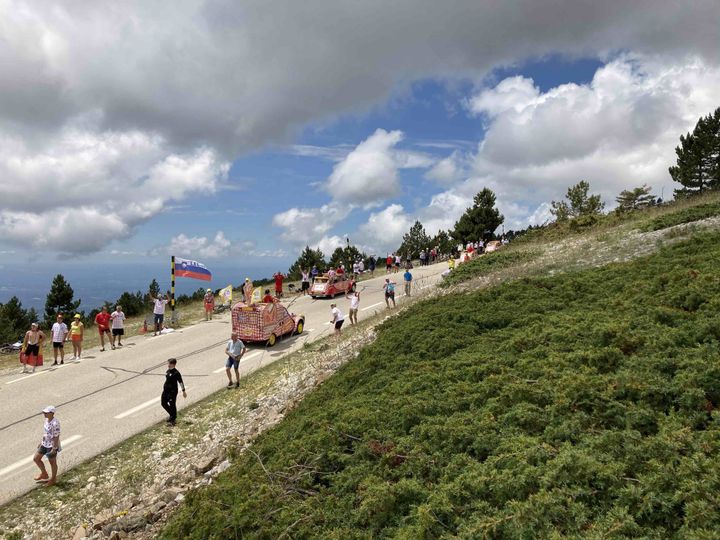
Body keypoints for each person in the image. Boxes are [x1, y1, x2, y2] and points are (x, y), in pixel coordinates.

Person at [33, 405, 61, 487]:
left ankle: (53, 479)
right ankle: (44, 474)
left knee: (52, 463)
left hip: (51, 445)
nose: (44, 413)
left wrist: (54, 448)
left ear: (52, 413)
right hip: (44, 443)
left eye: (46, 412)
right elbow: (46, 432)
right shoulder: (46, 420)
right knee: (36, 459)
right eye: (44, 412)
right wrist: (41, 442)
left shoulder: (55, 423)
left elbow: (56, 436)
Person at [161, 358, 186, 426]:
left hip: (172, 392)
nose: (168, 365)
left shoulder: (176, 373)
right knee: (163, 403)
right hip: (166, 391)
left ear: (173, 364)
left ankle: (173, 419)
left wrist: (183, 391)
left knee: (172, 405)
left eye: (169, 363)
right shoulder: (168, 371)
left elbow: (180, 382)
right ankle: (172, 415)